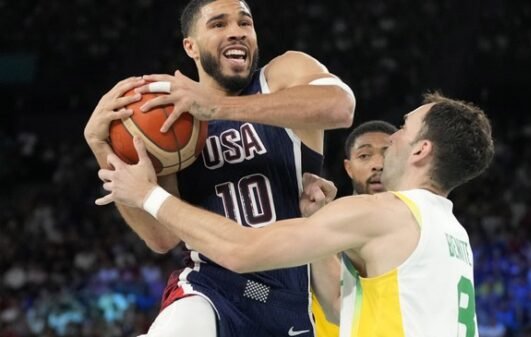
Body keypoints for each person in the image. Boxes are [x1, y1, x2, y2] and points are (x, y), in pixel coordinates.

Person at [97, 92, 495, 336]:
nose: (392, 137)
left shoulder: (384, 213)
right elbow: (342, 312)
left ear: (422, 150)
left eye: (405, 127)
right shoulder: (451, 232)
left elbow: (243, 251)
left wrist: (148, 195)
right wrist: (315, 223)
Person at [83, 0, 355, 335]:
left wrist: (218, 107)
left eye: (245, 23)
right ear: (190, 46)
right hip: (209, 286)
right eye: (219, 24)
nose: (237, 32)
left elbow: (340, 106)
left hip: (290, 294)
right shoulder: (171, 120)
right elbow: (162, 237)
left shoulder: (281, 75)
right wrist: (101, 147)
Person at [313, 120, 398, 337]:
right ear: (348, 168)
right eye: (364, 156)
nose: (378, 164)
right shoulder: (318, 220)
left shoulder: (418, 226)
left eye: (387, 154)